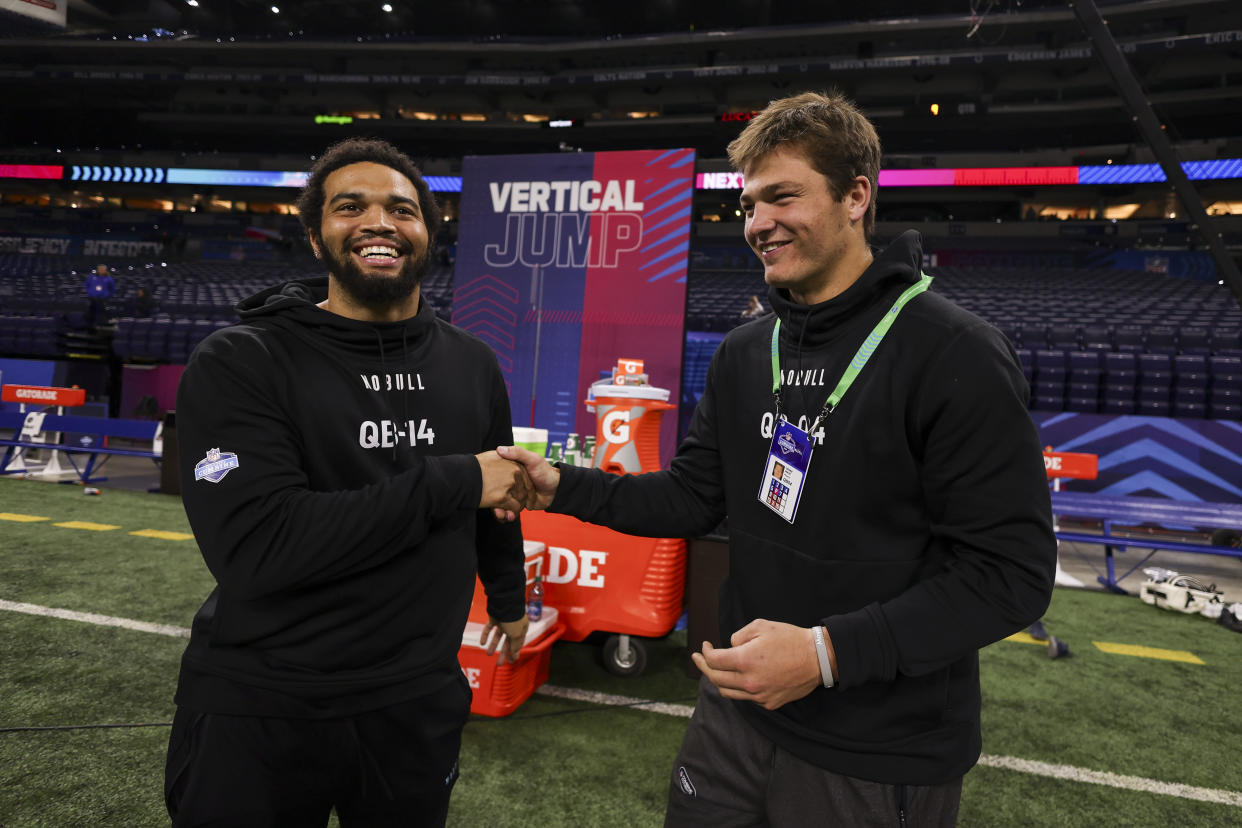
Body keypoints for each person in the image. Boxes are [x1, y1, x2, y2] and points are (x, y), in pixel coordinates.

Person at [499, 91, 1057, 826]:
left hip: (878, 748)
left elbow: (1010, 576)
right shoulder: (743, 351)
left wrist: (826, 654)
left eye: (782, 196)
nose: (759, 224)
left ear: (856, 196)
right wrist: (558, 486)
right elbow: (693, 499)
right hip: (736, 712)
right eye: (749, 204)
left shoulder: (953, 352)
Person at [165, 137, 534, 827]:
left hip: (416, 700)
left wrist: (509, 599)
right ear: (314, 236)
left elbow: (499, 498)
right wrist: (451, 481)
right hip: (264, 701)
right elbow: (259, 550)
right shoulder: (244, 359)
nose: (379, 222)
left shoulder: (473, 363)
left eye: (403, 208)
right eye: (349, 206)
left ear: (428, 233)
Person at [84, 263, 115, 327]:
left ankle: (101, 327)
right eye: (100, 269)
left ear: (105, 270)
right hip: (92, 298)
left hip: (102, 299)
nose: (101, 270)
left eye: (103, 269)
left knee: (102, 314)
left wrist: (107, 295)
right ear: (97, 270)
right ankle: (90, 327)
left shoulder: (109, 279)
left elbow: (112, 289)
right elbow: (86, 285)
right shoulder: (92, 277)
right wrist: (89, 292)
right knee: (91, 314)